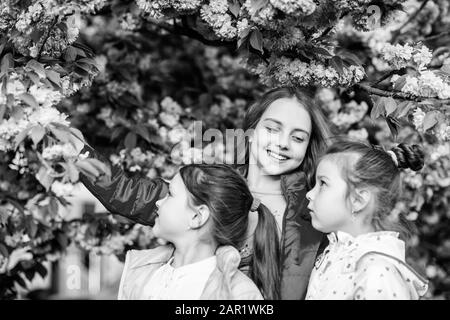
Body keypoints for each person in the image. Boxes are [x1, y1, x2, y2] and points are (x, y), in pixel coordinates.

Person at [81, 86, 332, 299]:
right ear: (252, 132)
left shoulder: (315, 208)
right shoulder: (215, 185)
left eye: (298, 138)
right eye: (273, 129)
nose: (283, 143)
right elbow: (132, 194)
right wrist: (76, 154)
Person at [118, 164, 280, 299]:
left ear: (197, 216)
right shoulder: (139, 270)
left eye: (170, 194)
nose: (158, 203)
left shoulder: (238, 295)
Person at [304, 140, 429, 300]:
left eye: (323, 183)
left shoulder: (378, 272)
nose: (310, 194)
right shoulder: (337, 253)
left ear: (358, 201)